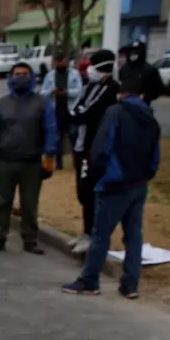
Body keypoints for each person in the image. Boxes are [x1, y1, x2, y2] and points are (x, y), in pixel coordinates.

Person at [61, 73, 160, 298]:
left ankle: (89, 280)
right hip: (140, 182)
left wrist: (97, 175)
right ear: (142, 95)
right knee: (134, 234)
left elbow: (101, 147)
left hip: (114, 182)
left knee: (101, 234)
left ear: (120, 94)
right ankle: (130, 284)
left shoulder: (115, 112)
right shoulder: (149, 115)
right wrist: (147, 173)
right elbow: (155, 152)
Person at [0, 62, 58, 254]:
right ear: (10, 77)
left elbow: (50, 130)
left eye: (24, 74)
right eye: (17, 74)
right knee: (1, 203)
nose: (21, 77)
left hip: (32, 163)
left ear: (31, 77)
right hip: (5, 162)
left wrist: (49, 158)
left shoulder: (42, 103)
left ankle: (30, 240)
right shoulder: (0, 104)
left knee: (30, 204)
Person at [66, 48, 119, 254]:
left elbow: (87, 113)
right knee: (82, 191)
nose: (89, 70)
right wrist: (76, 113)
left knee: (89, 192)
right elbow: (76, 109)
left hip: (94, 148)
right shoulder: (90, 87)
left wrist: (77, 113)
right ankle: (86, 231)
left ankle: (93, 235)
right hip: (80, 146)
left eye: (93, 66)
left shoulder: (111, 89)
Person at [39, 50, 82, 169]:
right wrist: (51, 91)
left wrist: (67, 92)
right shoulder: (50, 75)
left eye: (62, 62)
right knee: (57, 138)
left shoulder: (75, 74)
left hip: (71, 110)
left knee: (73, 136)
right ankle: (58, 163)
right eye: (58, 62)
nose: (60, 64)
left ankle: (76, 163)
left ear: (67, 62)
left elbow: (79, 91)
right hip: (55, 110)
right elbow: (42, 93)